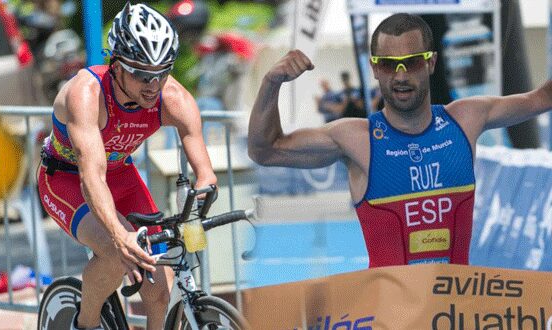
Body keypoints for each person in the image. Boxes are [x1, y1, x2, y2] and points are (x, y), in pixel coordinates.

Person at [247, 13, 552, 268]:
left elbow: (542, 98)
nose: (401, 75)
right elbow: (265, 150)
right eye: (388, 64)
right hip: (391, 313)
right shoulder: (357, 139)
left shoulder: (465, 119)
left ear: (431, 63)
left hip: (454, 309)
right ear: (374, 68)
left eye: (412, 62)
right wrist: (271, 83)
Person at [37, 3, 216, 329]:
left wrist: (205, 186)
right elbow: (91, 176)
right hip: (66, 178)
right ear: (116, 65)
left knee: (159, 290)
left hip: (121, 175)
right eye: (142, 74)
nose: (153, 85)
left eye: (162, 72)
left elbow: (204, 168)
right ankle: (85, 323)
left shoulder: (172, 98)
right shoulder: (87, 94)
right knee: (115, 251)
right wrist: (120, 235)